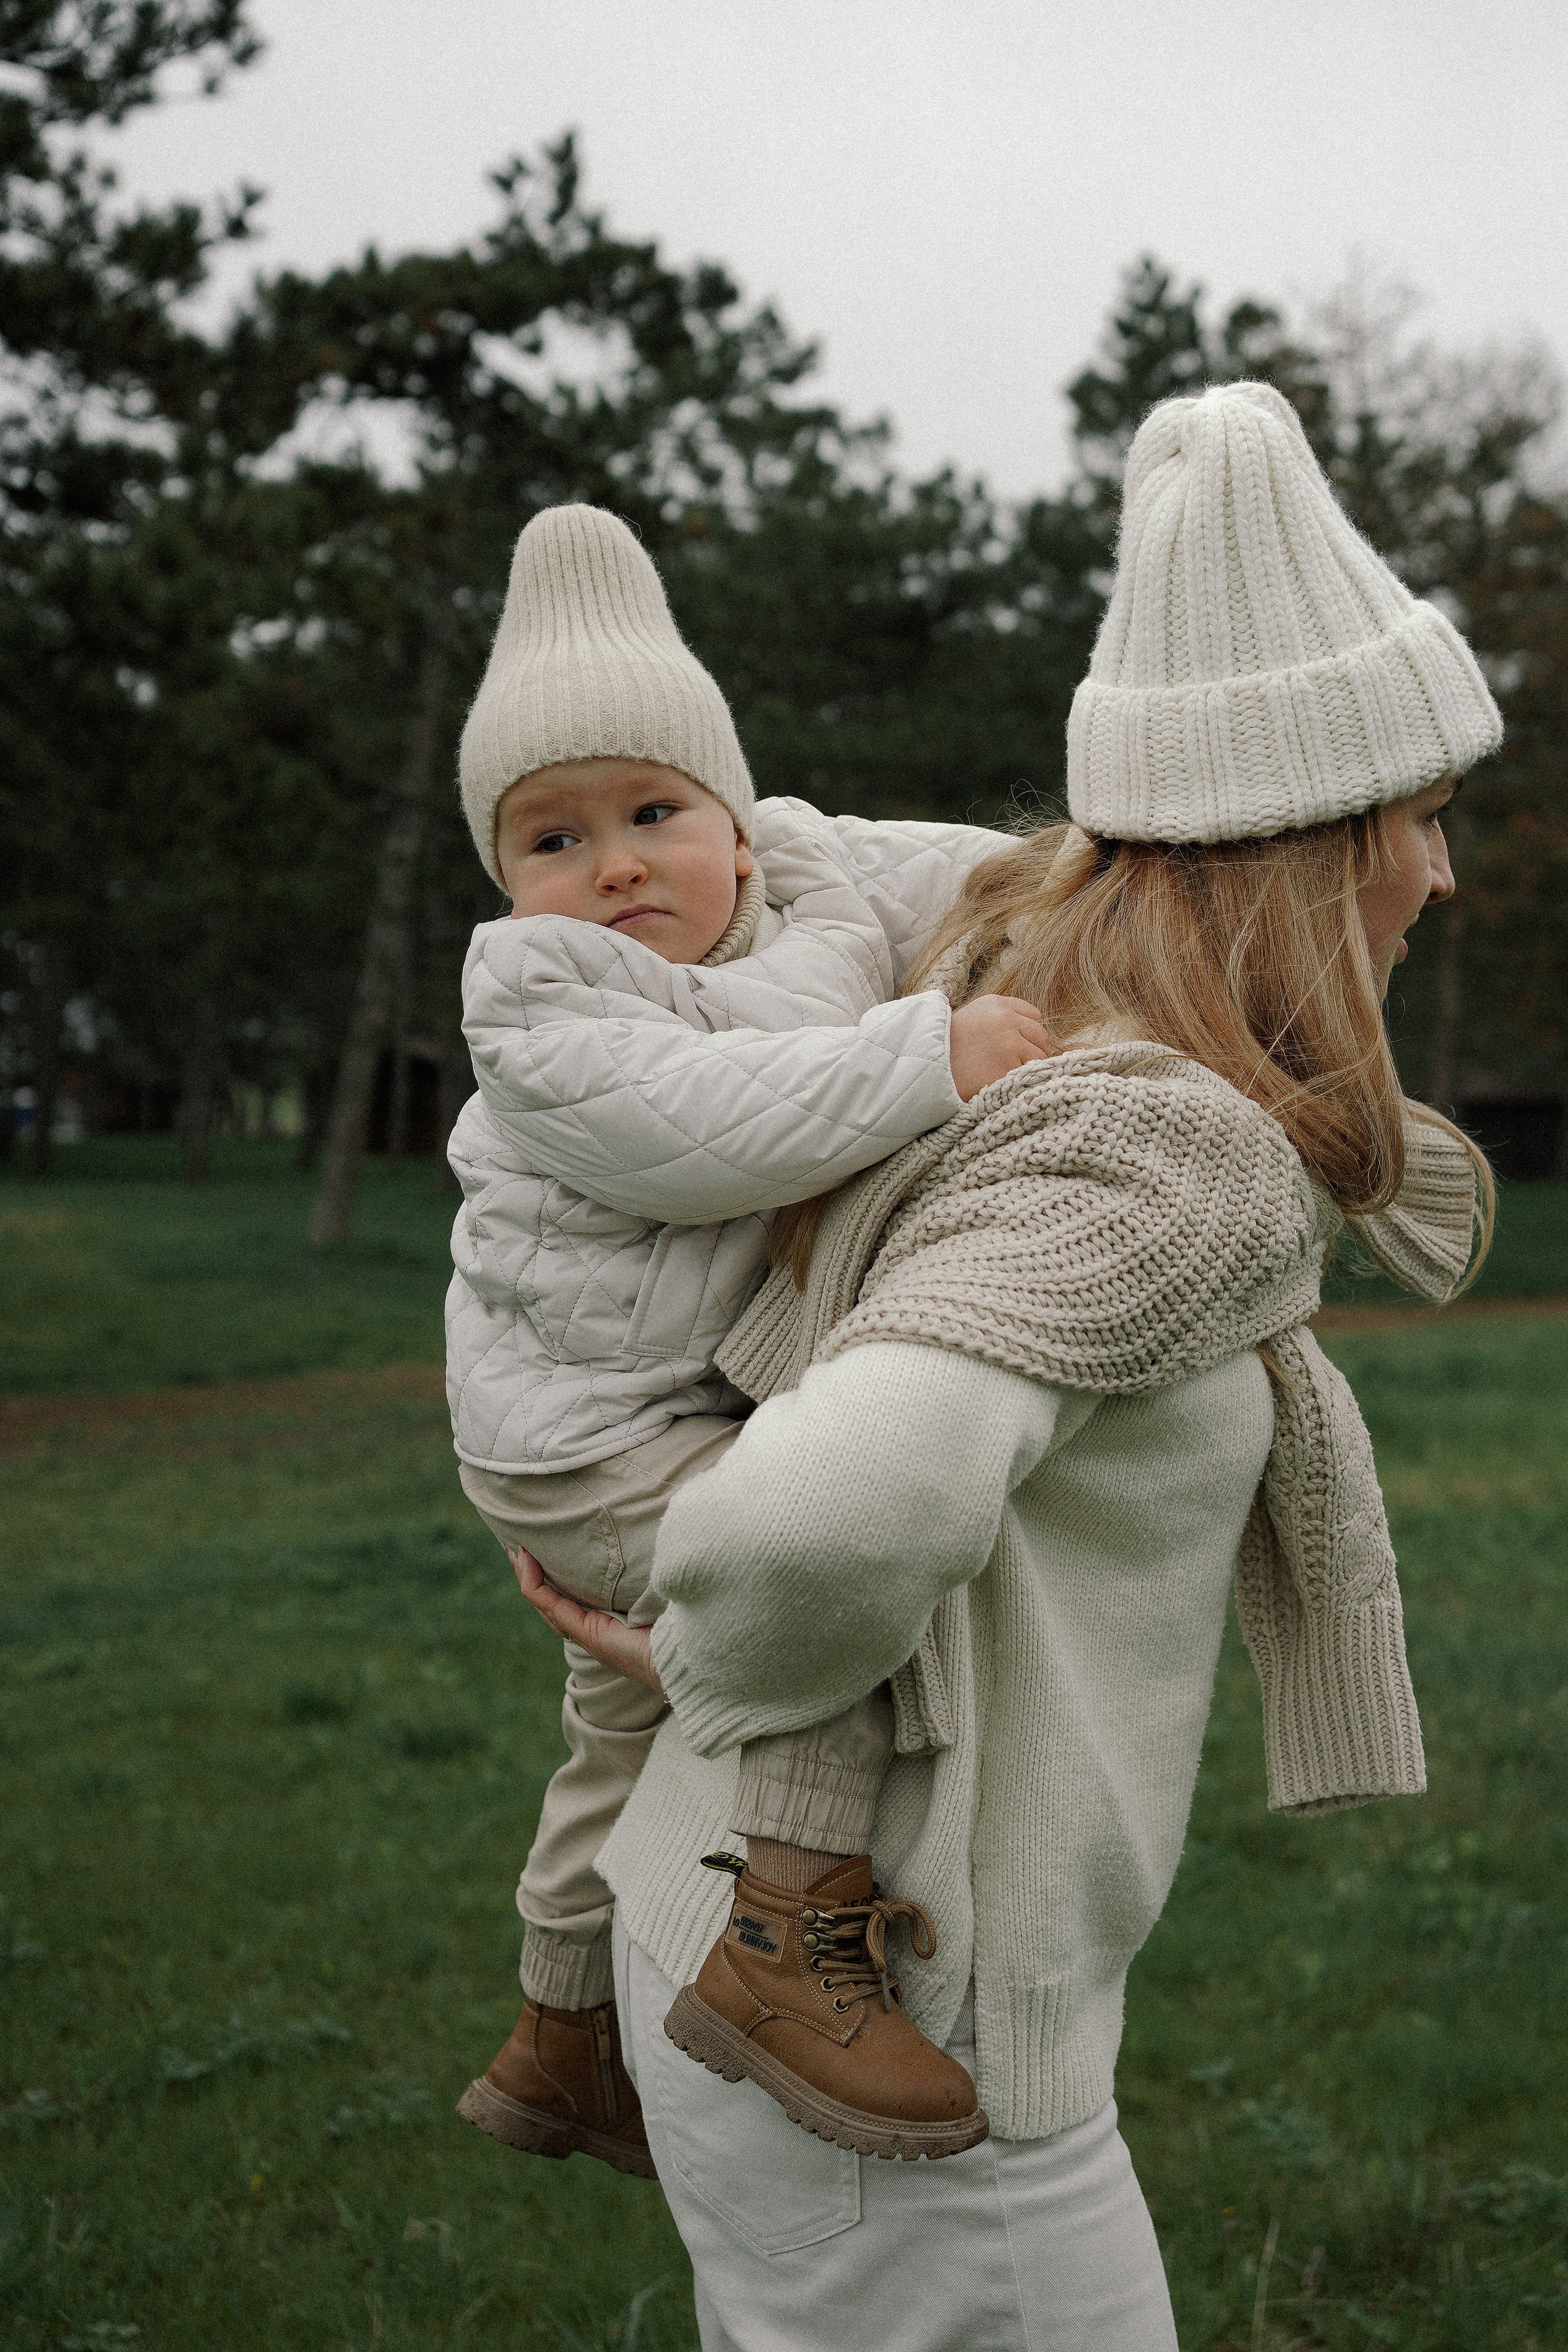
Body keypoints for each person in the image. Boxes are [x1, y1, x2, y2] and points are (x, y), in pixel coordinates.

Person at [518, 381, 1500, 2351]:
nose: (1439, 873)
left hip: (740, 1930)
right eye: (1419, 817)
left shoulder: (1001, 991)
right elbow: (823, 1516)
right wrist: (708, 1651)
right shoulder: (1166, 1147)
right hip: (905, 2032)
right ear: (1312, 847)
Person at [447, 503, 1058, 2175]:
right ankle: (782, 1944)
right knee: (813, 1574)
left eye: (653, 810)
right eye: (553, 838)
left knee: (616, 1724)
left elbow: (1001, 872)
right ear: (507, 879)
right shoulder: (540, 1005)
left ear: (728, 803)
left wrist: (1121, 862)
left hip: (659, 1395)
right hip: (589, 1435)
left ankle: (558, 2036)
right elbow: (708, 1123)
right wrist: (936, 1056)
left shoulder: (806, 865)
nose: (617, 863)